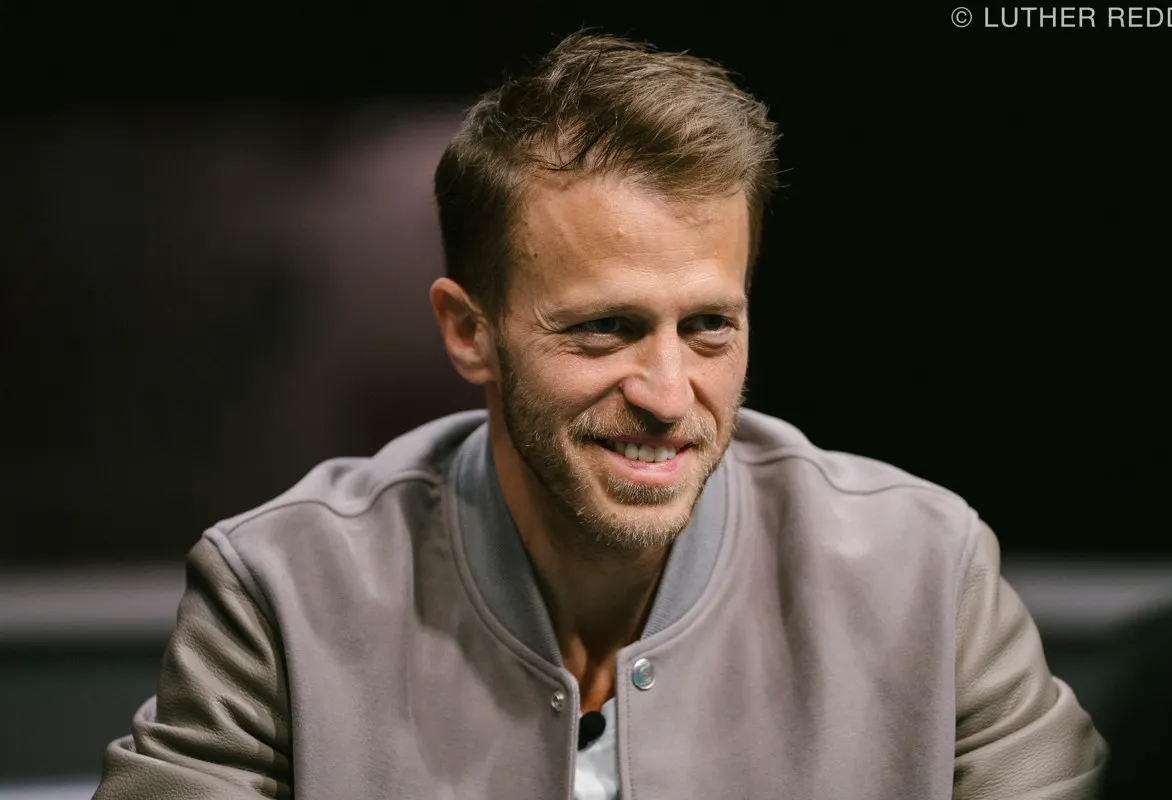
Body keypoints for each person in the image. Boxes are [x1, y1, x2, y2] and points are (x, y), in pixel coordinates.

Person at [94, 30, 1107, 799]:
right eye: (604, 329)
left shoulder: (925, 572)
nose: (668, 394)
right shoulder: (279, 594)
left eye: (708, 327)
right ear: (467, 331)